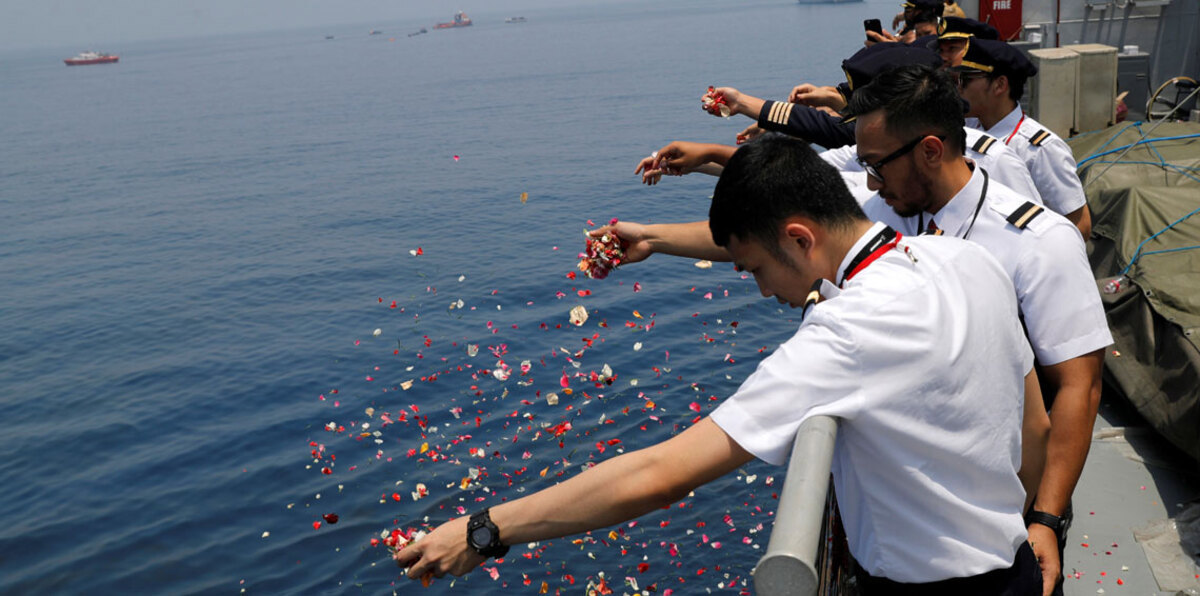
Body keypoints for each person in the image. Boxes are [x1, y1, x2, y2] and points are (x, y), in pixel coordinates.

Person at [396, 135, 1042, 593]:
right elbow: (1033, 422)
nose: (762, 290)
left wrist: (483, 531)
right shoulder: (966, 260)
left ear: (797, 237)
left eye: (755, 268)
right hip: (1015, 561)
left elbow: (659, 474)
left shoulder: (849, 332)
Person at [845, 64, 1111, 596]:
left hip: (1009, 517)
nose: (871, 182)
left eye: (876, 166)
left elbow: (1080, 385)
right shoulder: (889, 214)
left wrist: (1047, 520)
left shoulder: (1038, 243)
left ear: (928, 151)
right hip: (916, 523)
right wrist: (656, 238)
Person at [953, 38, 1093, 238]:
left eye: (966, 79)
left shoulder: (1040, 149)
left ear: (1000, 85)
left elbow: (1080, 225)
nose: (959, 87)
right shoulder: (967, 131)